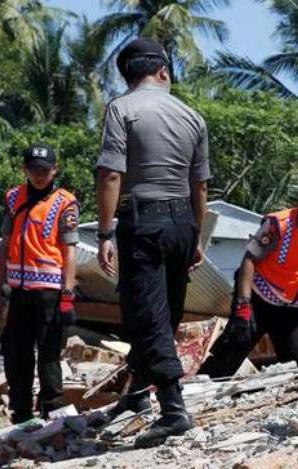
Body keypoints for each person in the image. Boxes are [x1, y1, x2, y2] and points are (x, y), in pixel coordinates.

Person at [95, 38, 209, 448]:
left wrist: (105, 233)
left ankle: (174, 411)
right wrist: (197, 235)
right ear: (163, 71)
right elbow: (200, 185)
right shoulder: (192, 116)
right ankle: (138, 394)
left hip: (143, 222)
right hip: (182, 222)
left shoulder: (121, 108)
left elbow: (110, 174)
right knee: (167, 312)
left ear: (130, 75)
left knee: (148, 315)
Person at [198, 176, 298, 378]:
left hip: (294, 311)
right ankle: (194, 391)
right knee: (230, 354)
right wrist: (243, 304)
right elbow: (249, 260)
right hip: (259, 302)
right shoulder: (280, 225)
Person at [0, 142, 79, 423]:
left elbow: (70, 252)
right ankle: (21, 413)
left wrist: (67, 296)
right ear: (24, 169)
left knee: (49, 354)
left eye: (44, 169)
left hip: (50, 292)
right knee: (16, 354)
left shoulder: (65, 202)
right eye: (33, 169)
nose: (39, 174)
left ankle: (53, 412)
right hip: (18, 292)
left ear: (55, 170)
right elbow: (5, 246)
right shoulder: (13, 197)